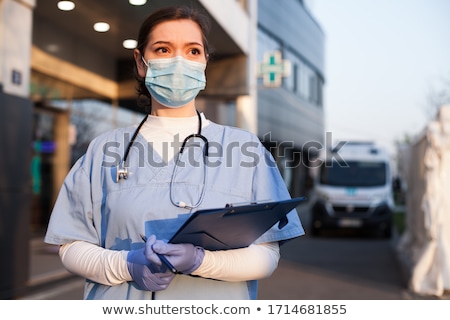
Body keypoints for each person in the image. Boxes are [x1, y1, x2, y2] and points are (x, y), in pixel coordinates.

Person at [44, 5, 304, 300]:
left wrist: (201, 261)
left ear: (204, 61)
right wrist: (127, 265)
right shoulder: (103, 151)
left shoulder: (246, 150)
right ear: (141, 63)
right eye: (163, 49)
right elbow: (71, 246)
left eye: (192, 51)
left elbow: (266, 256)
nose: (179, 61)